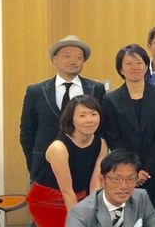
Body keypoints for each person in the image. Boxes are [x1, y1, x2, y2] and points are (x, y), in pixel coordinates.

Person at [102, 44, 155, 227]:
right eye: (128, 63)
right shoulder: (111, 99)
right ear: (121, 69)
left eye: (139, 62)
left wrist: (146, 168)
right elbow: (113, 137)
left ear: (146, 66)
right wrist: (134, 168)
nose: (135, 67)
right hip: (125, 172)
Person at [20, 35, 105, 180]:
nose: (73, 61)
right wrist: (33, 164)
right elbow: (27, 133)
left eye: (79, 57)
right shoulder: (36, 91)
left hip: (86, 166)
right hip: (44, 167)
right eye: (67, 56)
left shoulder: (96, 89)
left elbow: (102, 128)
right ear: (54, 59)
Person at [27, 95, 108, 227]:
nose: (89, 120)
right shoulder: (59, 148)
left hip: (80, 195)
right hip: (48, 199)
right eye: (82, 115)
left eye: (93, 114)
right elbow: (66, 190)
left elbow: (95, 184)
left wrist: (92, 211)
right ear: (71, 119)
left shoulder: (101, 144)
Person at [66, 149, 155, 227]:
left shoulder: (141, 198)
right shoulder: (80, 213)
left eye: (130, 179)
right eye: (116, 179)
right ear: (102, 180)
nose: (124, 186)